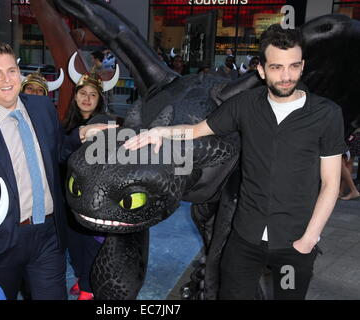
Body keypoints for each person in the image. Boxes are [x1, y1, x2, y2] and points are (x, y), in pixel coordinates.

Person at [124, 24, 346, 300]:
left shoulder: (326, 114)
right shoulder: (245, 105)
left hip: (295, 244)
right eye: (277, 67)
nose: (287, 76)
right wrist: (160, 132)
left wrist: (309, 239)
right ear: (262, 70)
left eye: (294, 66)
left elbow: (330, 184)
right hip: (245, 241)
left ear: (302, 66)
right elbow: (196, 130)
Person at [0, 42, 114, 300]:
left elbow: (57, 154)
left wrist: (81, 134)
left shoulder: (41, 108)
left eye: (11, 70)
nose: (7, 79)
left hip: (48, 235)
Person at [64, 52, 119, 300]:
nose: (87, 99)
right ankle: (81, 278)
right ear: (75, 96)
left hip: (94, 200)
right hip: (70, 197)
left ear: (100, 99)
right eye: (82, 93)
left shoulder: (105, 123)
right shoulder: (67, 124)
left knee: (90, 245)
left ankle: (88, 287)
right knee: (74, 243)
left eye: (92, 94)